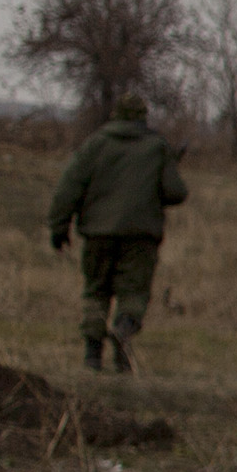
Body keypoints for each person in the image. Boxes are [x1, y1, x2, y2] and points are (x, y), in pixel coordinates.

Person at [46, 94, 189, 374]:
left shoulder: (97, 144)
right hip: (140, 235)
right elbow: (176, 192)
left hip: (98, 232)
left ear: (116, 114)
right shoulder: (157, 148)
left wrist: (59, 227)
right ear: (142, 116)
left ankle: (92, 356)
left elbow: (69, 187)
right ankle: (123, 331)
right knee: (133, 292)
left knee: (96, 290)